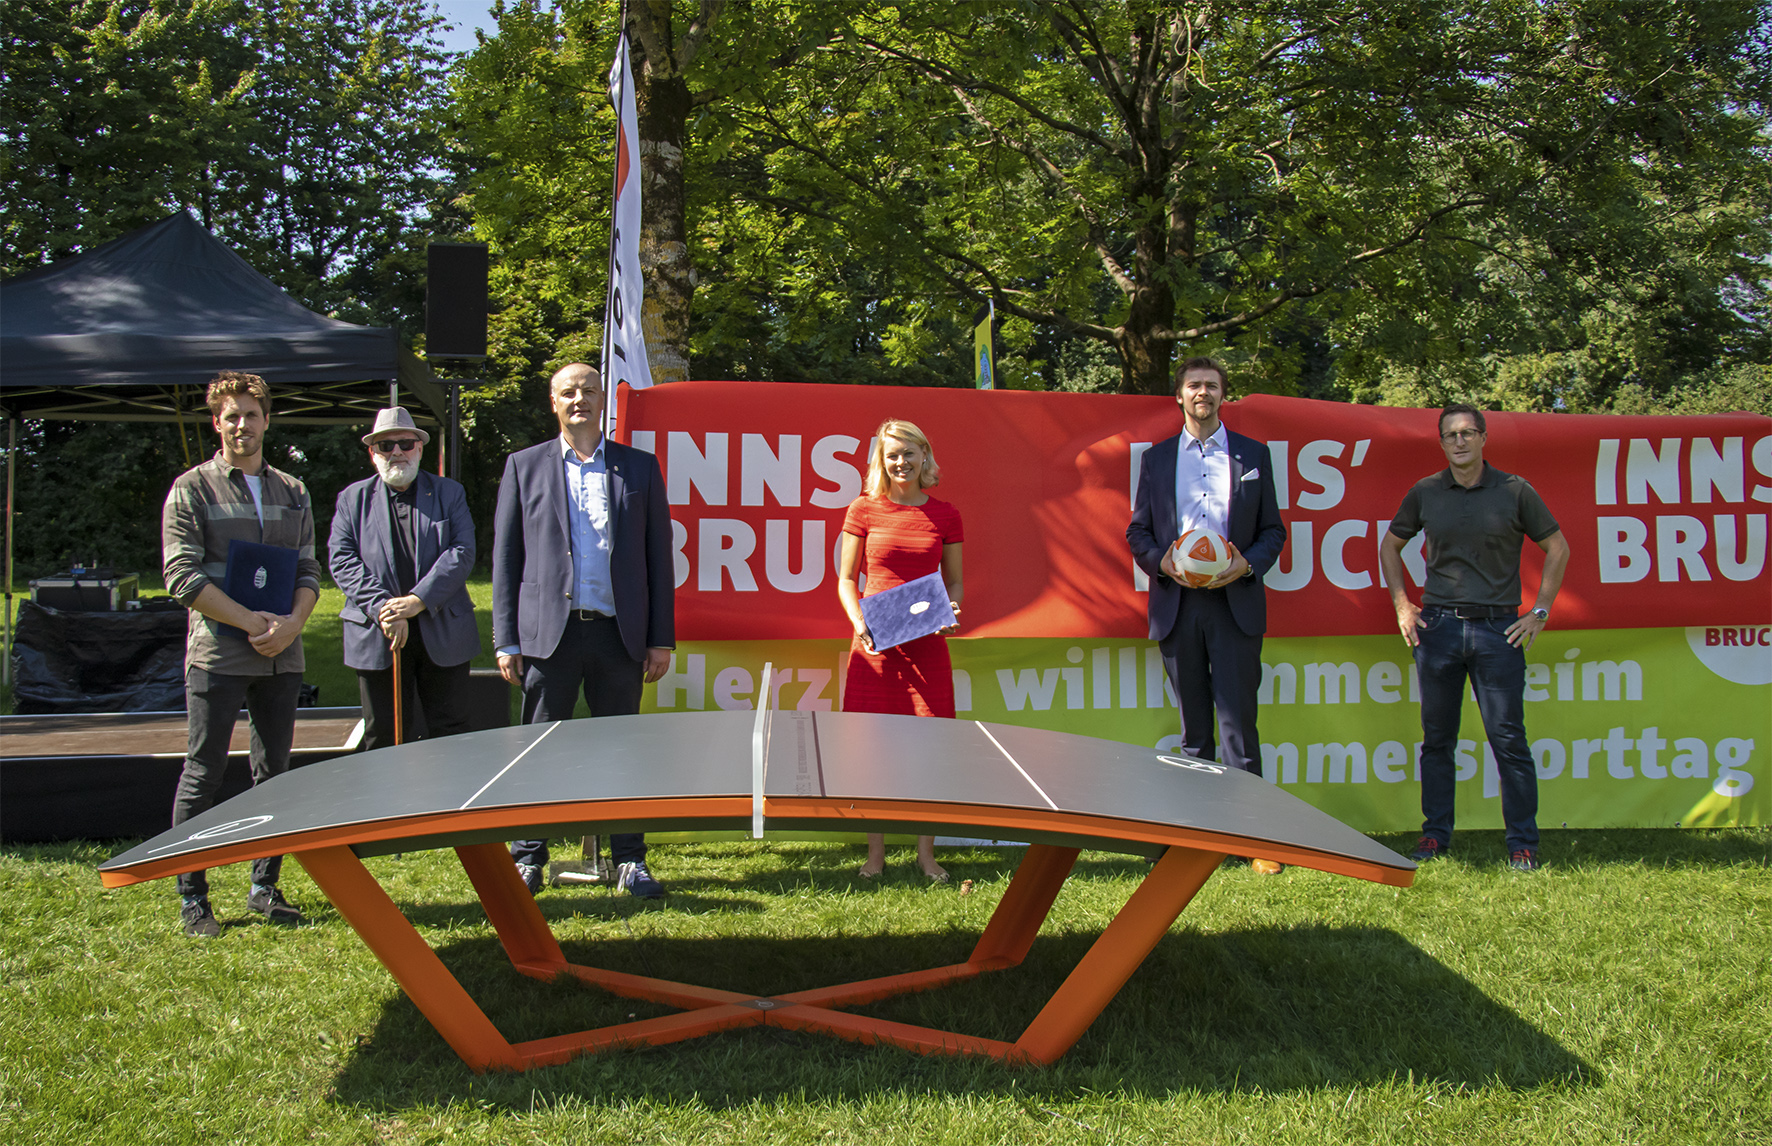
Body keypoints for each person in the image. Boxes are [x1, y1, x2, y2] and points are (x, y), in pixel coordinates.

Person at [492, 363, 674, 898]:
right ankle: (528, 857)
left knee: (622, 750)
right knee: (538, 750)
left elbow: (657, 558)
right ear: (553, 402)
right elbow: (506, 559)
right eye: (568, 392)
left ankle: (629, 860)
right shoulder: (523, 466)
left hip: (619, 635)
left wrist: (659, 636)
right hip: (549, 637)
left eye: (589, 391)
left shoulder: (638, 468)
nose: (580, 400)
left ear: (602, 402)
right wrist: (507, 638)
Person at [161, 371, 321, 937]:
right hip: (218, 654)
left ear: (266, 419)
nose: (241, 425)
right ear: (216, 422)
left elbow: (307, 568)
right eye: (230, 416)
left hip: (282, 654)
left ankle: (264, 886)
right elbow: (180, 576)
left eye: (250, 415)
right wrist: (251, 621)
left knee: (273, 773)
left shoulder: (293, 490)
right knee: (203, 772)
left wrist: (292, 625)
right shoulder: (192, 488)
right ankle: (192, 894)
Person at [1379, 403, 1570, 872]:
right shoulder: (1425, 492)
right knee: (1438, 740)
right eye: (1451, 435)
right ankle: (1434, 837)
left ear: (1484, 438)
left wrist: (1539, 612)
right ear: (1441, 443)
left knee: (1508, 739)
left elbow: (1558, 547)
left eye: (1468, 433)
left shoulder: (1514, 490)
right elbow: (1390, 545)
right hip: (1439, 629)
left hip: (1498, 630)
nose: (1460, 441)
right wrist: (1404, 605)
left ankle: (1523, 843)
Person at [1126, 356, 1288, 873]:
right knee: (1194, 730)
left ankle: (1256, 839)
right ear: (1179, 395)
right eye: (1194, 385)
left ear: (1223, 395)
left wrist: (1245, 565)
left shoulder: (1252, 455)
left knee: (1239, 723)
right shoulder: (1156, 460)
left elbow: (1273, 532)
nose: (1203, 393)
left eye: (1212, 386)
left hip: (1234, 603)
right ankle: (1197, 839)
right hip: (1178, 605)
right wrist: (1164, 563)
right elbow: (1138, 533)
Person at [837, 418, 964, 882]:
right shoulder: (863, 509)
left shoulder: (946, 514)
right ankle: (875, 855)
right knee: (875, 751)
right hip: (875, 646)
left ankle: (926, 855)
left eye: (910, 453)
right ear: (880, 461)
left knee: (929, 751)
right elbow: (847, 580)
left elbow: (954, 582)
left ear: (925, 456)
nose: (901, 462)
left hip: (927, 646)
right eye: (892, 454)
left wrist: (951, 609)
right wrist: (859, 622)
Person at [328, 407, 480, 752]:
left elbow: (462, 551)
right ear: (373, 453)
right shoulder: (351, 500)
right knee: (384, 734)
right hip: (376, 632)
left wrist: (416, 601)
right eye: (385, 446)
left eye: (405, 443)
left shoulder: (449, 492)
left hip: (442, 628)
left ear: (420, 448)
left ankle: (453, 805)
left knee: (452, 732)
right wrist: (387, 609)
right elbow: (341, 558)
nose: (396, 451)